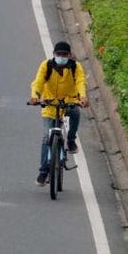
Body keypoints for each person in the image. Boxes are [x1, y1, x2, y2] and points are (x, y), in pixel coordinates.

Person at [29, 41, 88, 186]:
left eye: (64, 55)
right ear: (54, 55)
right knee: (45, 138)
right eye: (59, 54)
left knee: (75, 113)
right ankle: (43, 172)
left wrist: (83, 97)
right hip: (50, 104)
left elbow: (80, 81)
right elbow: (38, 82)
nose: (61, 57)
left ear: (70, 55)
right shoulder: (46, 66)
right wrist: (35, 96)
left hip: (69, 102)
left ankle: (71, 140)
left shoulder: (75, 67)